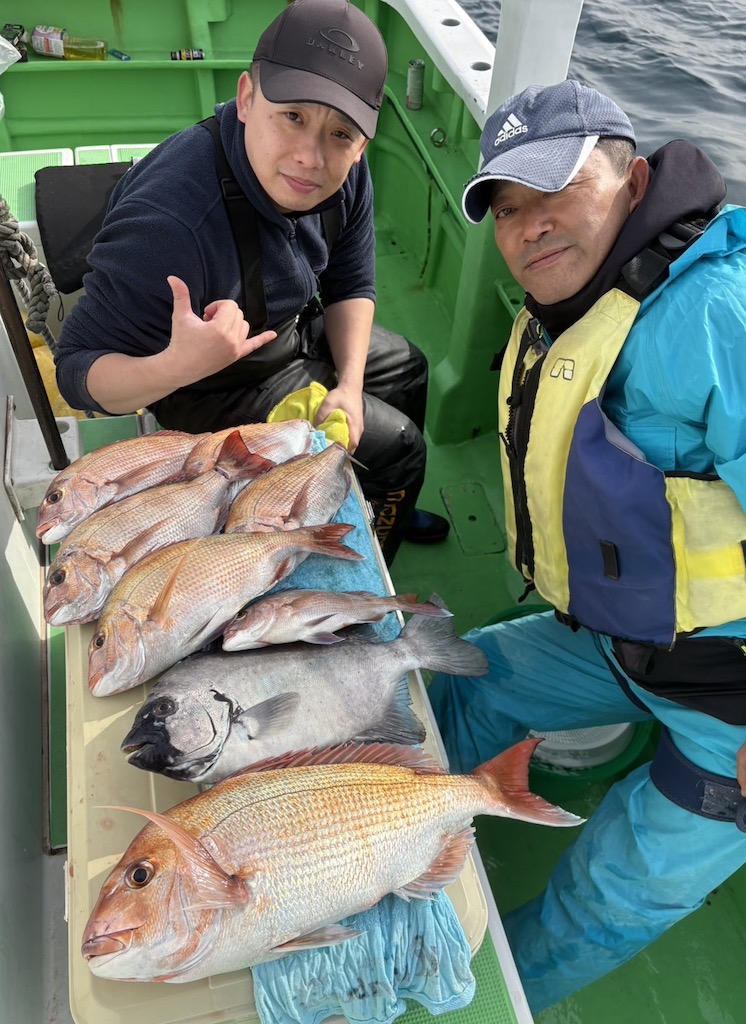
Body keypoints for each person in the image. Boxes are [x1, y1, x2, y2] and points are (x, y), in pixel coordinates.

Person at [428, 78, 746, 1013]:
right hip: (617, 642)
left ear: (633, 180)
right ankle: (391, 856)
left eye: (557, 190)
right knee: (460, 683)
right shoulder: (578, 301)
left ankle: (471, 999)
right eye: (507, 209)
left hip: (727, 698)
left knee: (605, 894)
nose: (529, 227)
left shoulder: (717, 315)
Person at [53, 0, 449, 563]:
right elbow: (75, 370)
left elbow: (351, 282)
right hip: (205, 383)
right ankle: (369, 553)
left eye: (340, 133)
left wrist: (350, 387)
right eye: (292, 116)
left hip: (285, 327)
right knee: (404, 447)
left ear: (363, 142)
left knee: (409, 370)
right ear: (245, 98)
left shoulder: (347, 173)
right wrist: (178, 366)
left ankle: (375, 496)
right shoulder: (171, 224)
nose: (310, 157)